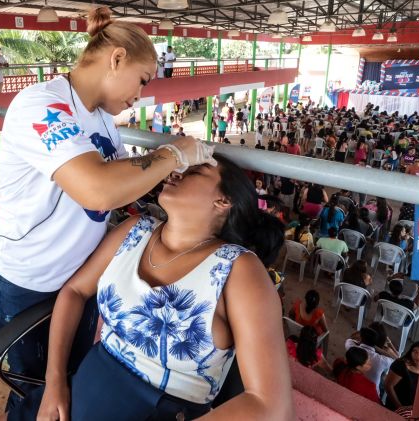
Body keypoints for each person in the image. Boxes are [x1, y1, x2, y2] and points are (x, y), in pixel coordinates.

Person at [0, 7, 216, 413]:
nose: (140, 95)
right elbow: (97, 189)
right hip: (32, 276)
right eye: (143, 80)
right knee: (37, 392)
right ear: (116, 59)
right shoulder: (41, 105)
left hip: (79, 273)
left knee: (71, 380)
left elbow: (120, 183)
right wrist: (171, 154)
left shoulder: (101, 116)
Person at [31, 156, 294, 420]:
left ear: (223, 201)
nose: (176, 171)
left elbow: (271, 406)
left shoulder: (238, 270)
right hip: (78, 392)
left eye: (194, 171)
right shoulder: (135, 231)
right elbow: (75, 291)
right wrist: (54, 381)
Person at [345, 327, 395, 394]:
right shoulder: (382, 360)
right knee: (384, 379)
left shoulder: (351, 347)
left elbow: (350, 339)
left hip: (353, 386)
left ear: (360, 338)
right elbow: (396, 359)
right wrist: (388, 344)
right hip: (372, 392)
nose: (369, 365)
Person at [384, 342, 419, 411]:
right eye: (415, 352)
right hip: (395, 408)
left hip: (412, 410)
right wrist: (399, 407)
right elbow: (388, 386)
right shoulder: (401, 365)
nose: (418, 356)